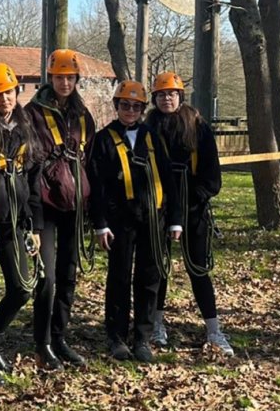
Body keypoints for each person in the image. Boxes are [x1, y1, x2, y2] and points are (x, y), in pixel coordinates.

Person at [88, 80, 182, 363]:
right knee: (118, 277)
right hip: (120, 221)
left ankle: (142, 336)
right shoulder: (104, 139)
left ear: (143, 109)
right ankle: (116, 336)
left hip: (154, 219)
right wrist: (100, 223)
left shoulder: (152, 137)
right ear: (116, 106)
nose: (130, 110)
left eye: (136, 106)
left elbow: (169, 179)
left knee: (149, 277)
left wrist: (175, 219)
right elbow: (97, 186)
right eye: (125, 105)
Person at [145, 72, 232, 356]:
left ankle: (214, 330)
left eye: (171, 94)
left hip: (193, 209)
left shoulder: (198, 126)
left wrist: (192, 203)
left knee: (198, 270)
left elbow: (212, 177)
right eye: (161, 95)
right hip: (159, 207)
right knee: (159, 268)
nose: (166, 99)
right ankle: (157, 326)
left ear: (180, 97)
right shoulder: (148, 128)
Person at [25, 49, 97, 370]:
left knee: (68, 275)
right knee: (48, 277)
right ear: (49, 78)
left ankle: (59, 336)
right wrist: (34, 219)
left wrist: (92, 211)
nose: (65, 82)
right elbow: (30, 166)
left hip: (74, 208)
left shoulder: (83, 116)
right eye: (59, 77)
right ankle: (42, 344)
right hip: (46, 207)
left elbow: (89, 162)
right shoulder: (33, 114)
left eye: (70, 77)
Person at [0, 62, 43, 382]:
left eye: (10, 92)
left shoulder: (24, 126)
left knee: (21, 289)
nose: (5, 99)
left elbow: (34, 176)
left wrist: (34, 222)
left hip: (16, 221)